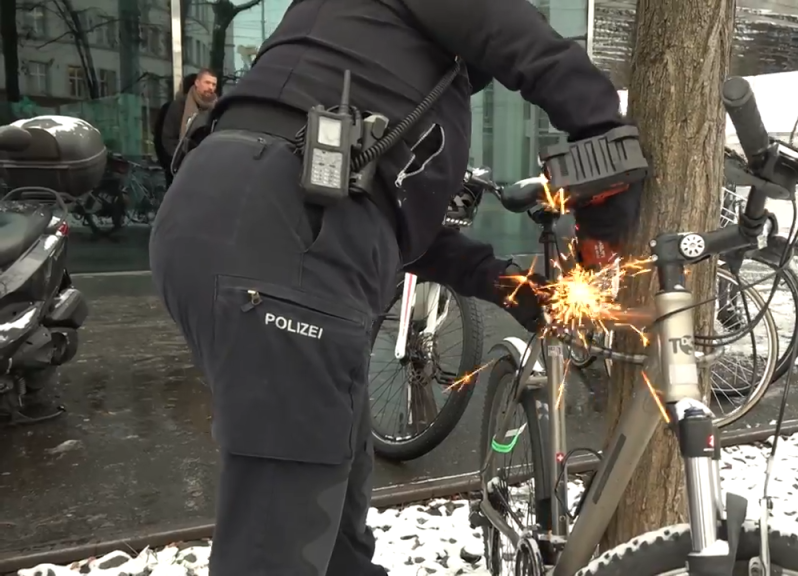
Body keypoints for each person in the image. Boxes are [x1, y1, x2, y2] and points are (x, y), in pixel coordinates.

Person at [147, 0, 642, 573]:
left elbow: (395, 230)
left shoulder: (362, 45)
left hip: (239, 226)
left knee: (334, 505)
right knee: (276, 547)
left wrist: (514, 285)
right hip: (279, 244)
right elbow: (540, 56)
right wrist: (608, 179)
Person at [159, 69, 217, 179]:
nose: (211, 87)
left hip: (209, 170)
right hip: (182, 169)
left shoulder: (217, 109)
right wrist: (179, 161)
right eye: (207, 83)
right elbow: (168, 138)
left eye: (214, 84)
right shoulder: (179, 106)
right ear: (197, 83)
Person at [154, 73, 198, 187]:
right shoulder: (175, 108)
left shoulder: (206, 109)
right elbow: (163, 139)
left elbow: (158, 139)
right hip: (178, 166)